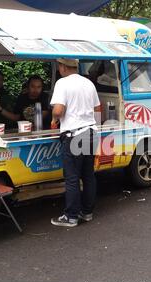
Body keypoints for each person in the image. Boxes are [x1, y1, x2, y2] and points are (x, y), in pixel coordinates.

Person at [50, 58, 100, 227]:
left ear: (63, 67)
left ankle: (71, 217)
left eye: (59, 66)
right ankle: (87, 213)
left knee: (72, 178)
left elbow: (58, 110)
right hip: (91, 132)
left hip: (74, 135)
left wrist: (55, 119)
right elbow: (97, 110)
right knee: (88, 175)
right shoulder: (88, 83)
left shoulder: (62, 83)